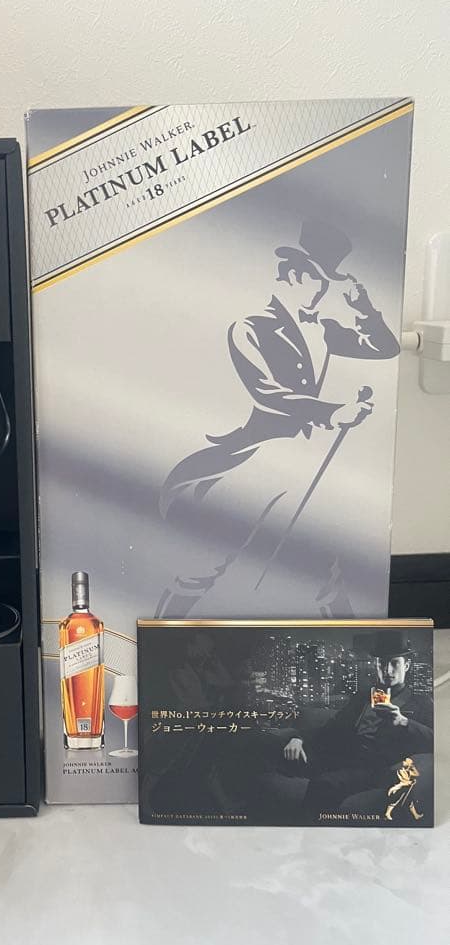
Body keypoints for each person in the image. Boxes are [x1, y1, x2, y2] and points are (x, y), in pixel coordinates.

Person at [155, 219, 400, 618]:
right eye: (316, 279)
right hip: (255, 457)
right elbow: (266, 392)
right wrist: (332, 412)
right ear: (294, 275)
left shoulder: (324, 330)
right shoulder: (250, 328)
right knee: (206, 560)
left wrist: (364, 308)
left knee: (321, 567)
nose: (321, 290)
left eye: (326, 283)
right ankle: (161, 640)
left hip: (302, 462)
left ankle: (353, 648)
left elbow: (384, 348)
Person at [282, 629, 433, 817]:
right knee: (273, 750)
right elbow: (332, 727)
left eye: (394, 663)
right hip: (342, 757)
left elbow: (437, 740)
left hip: (375, 769)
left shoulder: (420, 702)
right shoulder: (363, 697)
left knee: (324, 784)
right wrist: (298, 738)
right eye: (382, 663)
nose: (387, 670)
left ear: (407, 665)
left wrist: (404, 722)